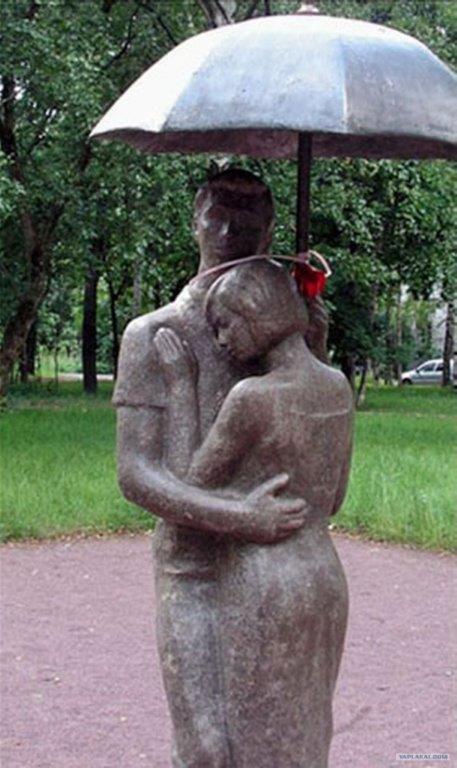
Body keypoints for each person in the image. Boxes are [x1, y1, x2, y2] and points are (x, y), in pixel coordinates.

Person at [154, 259, 353, 768]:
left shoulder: (253, 398)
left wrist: (180, 387)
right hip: (324, 577)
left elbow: (187, 487)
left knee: (258, 738)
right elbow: (334, 499)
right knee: (309, 732)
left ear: (258, 313)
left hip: (265, 583)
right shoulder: (337, 387)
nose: (221, 339)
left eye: (226, 324)